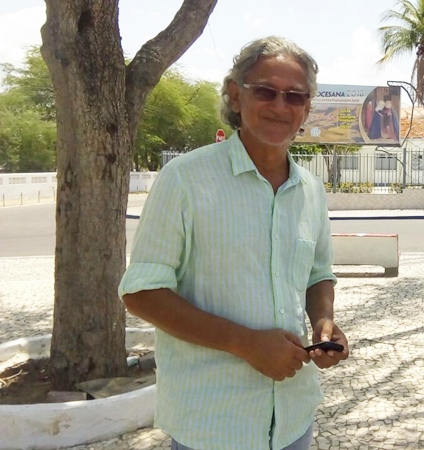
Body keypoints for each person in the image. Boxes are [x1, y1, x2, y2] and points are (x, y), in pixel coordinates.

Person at [119, 36, 349, 450]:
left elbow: (318, 273)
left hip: (293, 419)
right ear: (235, 95)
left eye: (295, 96)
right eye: (265, 91)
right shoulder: (184, 180)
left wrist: (323, 323)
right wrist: (243, 342)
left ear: (306, 109)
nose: (280, 106)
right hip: (212, 424)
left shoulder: (310, 189)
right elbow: (141, 292)